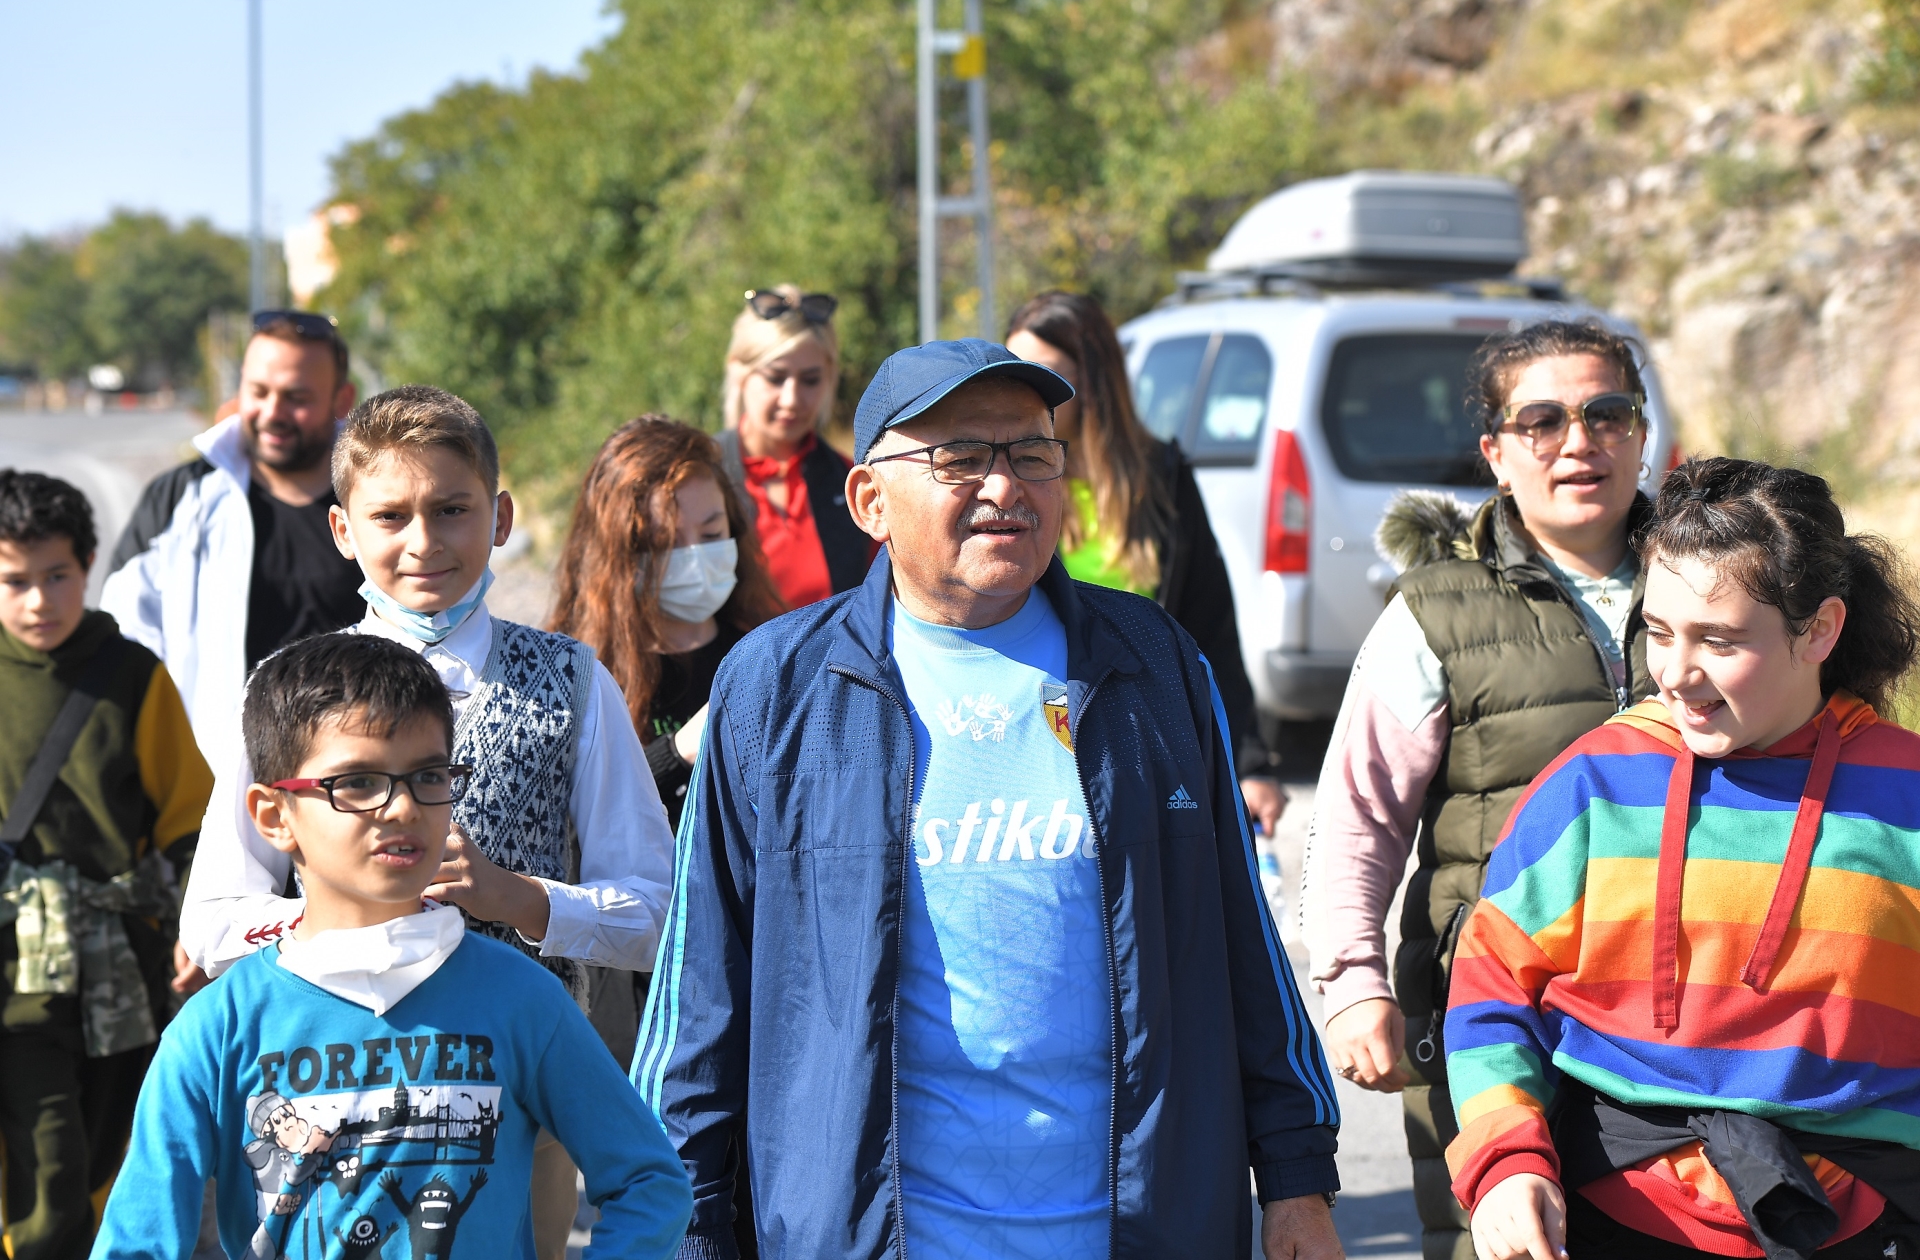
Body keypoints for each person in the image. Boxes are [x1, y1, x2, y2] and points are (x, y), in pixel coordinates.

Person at [636, 338, 1343, 1259]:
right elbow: (702, 994)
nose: (1005, 486)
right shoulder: (776, 688)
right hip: (866, 1237)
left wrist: (1297, 1183)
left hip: (1137, 1228)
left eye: (1032, 453)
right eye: (960, 458)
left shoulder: (1154, 664)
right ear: (869, 501)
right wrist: (682, 1226)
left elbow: (1245, 944)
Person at [177, 386, 677, 1260]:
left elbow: (656, 912)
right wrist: (334, 917)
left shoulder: (570, 681)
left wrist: (515, 898)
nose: (422, 542)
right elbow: (214, 916)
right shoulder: (287, 692)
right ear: (343, 532)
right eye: (391, 515)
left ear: (500, 517)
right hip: (322, 1093)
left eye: (451, 510)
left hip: (518, 1100)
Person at [1445, 457, 1920, 1260]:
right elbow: (1491, 989)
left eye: (1719, 640)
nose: (1675, 673)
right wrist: (1507, 1165)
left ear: (1821, 630)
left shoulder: (1906, 791)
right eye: (1658, 632)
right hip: (1610, 1219)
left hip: (1868, 1221)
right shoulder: (1595, 781)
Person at [93, 632, 693, 1259]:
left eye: (429, 775)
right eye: (356, 782)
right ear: (274, 817)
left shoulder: (524, 1002)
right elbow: (136, 1243)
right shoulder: (220, 1029)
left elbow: (649, 1182)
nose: (404, 807)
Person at [1298, 319, 1657, 1260]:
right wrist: (1352, 985)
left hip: (1683, 1015)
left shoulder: (1712, 587)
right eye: (1543, 420)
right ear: (1497, 454)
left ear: (1642, 435)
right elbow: (1356, 816)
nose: (1579, 442)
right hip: (1495, 1018)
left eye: (1606, 413)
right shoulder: (1433, 611)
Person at [0, 470, 212, 1258]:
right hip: (14, 981)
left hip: (123, 971)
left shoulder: (130, 675)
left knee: (109, 1153)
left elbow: (190, 820)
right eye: (15, 581)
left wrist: (197, 927)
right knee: (45, 1167)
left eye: (57, 576)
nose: (38, 601)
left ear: (88, 565)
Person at [546, 417, 785, 1084]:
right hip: (640, 998)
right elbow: (561, 828)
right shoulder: (573, 673)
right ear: (618, 552)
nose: (694, 558)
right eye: (664, 543)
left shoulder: (776, 648)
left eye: (711, 536)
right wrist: (677, 752)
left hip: (765, 975)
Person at [1004, 289, 1286, 834]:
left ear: (1094, 382)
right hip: (1031, 726)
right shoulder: (1008, 479)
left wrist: (1249, 763)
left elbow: (1210, 625)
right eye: (1016, 371)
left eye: (1047, 376)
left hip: (1141, 733)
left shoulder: (1161, 475)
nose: (1027, 392)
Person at [101, 310, 365, 749]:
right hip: (211, 787)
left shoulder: (377, 505)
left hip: (353, 782)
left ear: (342, 399)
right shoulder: (181, 499)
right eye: (258, 391)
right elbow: (122, 639)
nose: (272, 412)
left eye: (296, 397)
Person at [714, 286, 874, 608]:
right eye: (775, 378)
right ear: (739, 372)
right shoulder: (702, 475)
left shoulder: (853, 484)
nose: (792, 400)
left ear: (830, 378)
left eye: (810, 380)